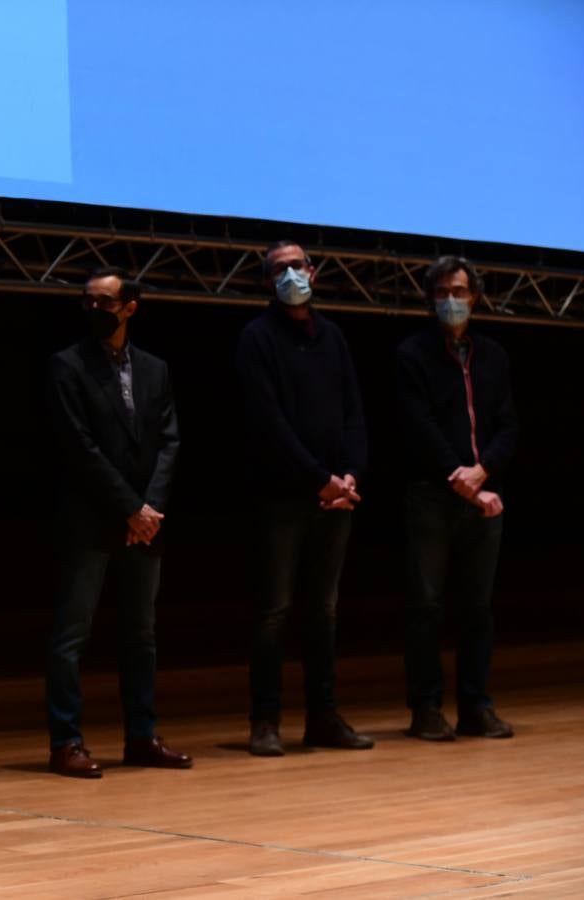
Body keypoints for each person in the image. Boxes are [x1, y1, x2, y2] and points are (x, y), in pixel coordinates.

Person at [43, 266, 191, 778]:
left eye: (104, 302)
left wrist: (149, 508)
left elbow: (169, 442)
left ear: (130, 307)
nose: (93, 309)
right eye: (87, 301)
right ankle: (66, 741)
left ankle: (142, 737)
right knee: (71, 636)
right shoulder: (67, 365)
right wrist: (131, 506)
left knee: (141, 637)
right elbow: (78, 447)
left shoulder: (155, 369)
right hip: (90, 520)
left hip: (143, 524)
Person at [236, 240, 373, 757]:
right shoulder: (257, 338)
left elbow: (354, 413)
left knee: (325, 612)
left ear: (313, 272)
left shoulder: (332, 336)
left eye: (297, 266)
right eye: (280, 269)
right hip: (282, 498)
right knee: (273, 611)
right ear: (267, 282)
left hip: (335, 498)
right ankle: (265, 721)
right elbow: (267, 422)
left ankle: (323, 718)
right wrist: (319, 479)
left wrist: (351, 476)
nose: (291, 274)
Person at [396, 256, 518, 741]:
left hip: (485, 495)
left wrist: (483, 472)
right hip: (432, 495)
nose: (452, 300)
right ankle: (426, 709)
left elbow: (508, 425)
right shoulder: (412, 354)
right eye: (443, 292)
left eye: (460, 292)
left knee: (477, 608)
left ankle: (475, 707)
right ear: (431, 299)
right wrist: (462, 479)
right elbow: (418, 426)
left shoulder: (495, 356)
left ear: (476, 298)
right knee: (425, 605)